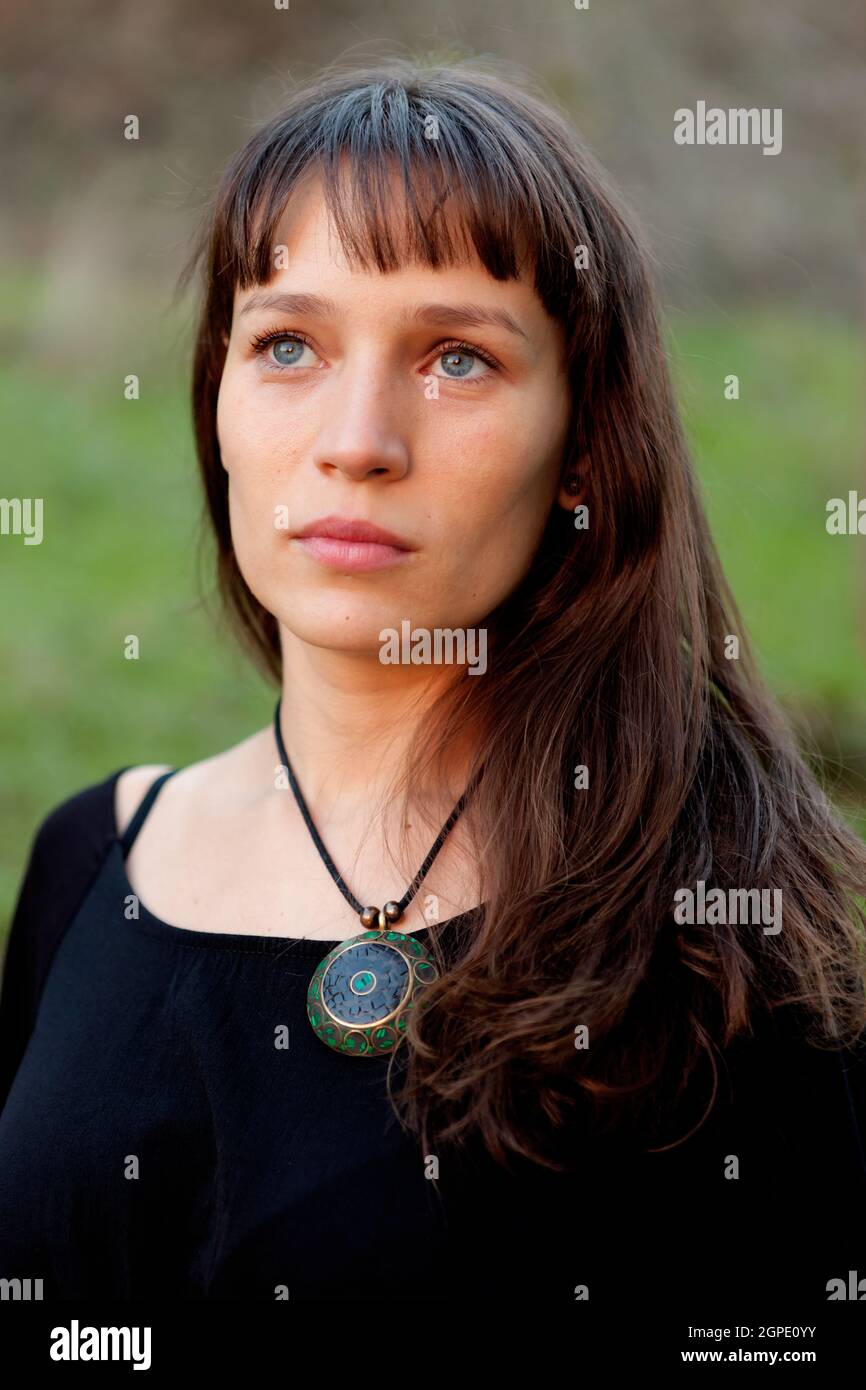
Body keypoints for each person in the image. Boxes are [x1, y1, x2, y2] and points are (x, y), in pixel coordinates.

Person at [1, 58, 864, 1310]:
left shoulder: (721, 925)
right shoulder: (89, 863)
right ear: (218, 403)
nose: (355, 438)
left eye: (455, 358)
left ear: (581, 448)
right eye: (287, 342)